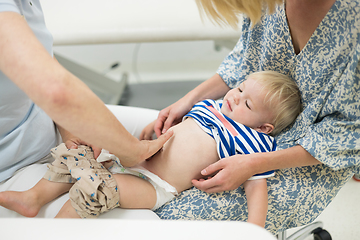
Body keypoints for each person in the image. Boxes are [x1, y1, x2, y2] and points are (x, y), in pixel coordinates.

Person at [151, 0, 360, 234]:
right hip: (244, 125)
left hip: (318, 155)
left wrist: (254, 165)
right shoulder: (264, 4)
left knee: (164, 220)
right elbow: (242, 63)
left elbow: (349, 133)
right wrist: (188, 101)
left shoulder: (353, 19)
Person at [0, 71, 302, 227]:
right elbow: (174, 128)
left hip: (152, 184)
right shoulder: (211, 106)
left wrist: (253, 230)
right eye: (239, 89)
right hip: (130, 157)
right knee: (77, 154)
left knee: (98, 187)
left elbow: (256, 188)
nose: (235, 98)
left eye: (247, 104)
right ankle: (33, 197)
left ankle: (58, 230)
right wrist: (153, 130)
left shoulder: (254, 142)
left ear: (265, 127)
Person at [0, 0, 172, 190]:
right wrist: (133, 152)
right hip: (11, 168)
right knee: (143, 218)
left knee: (168, 130)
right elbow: (55, 91)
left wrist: (69, 127)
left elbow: (42, 59)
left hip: (47, 124)